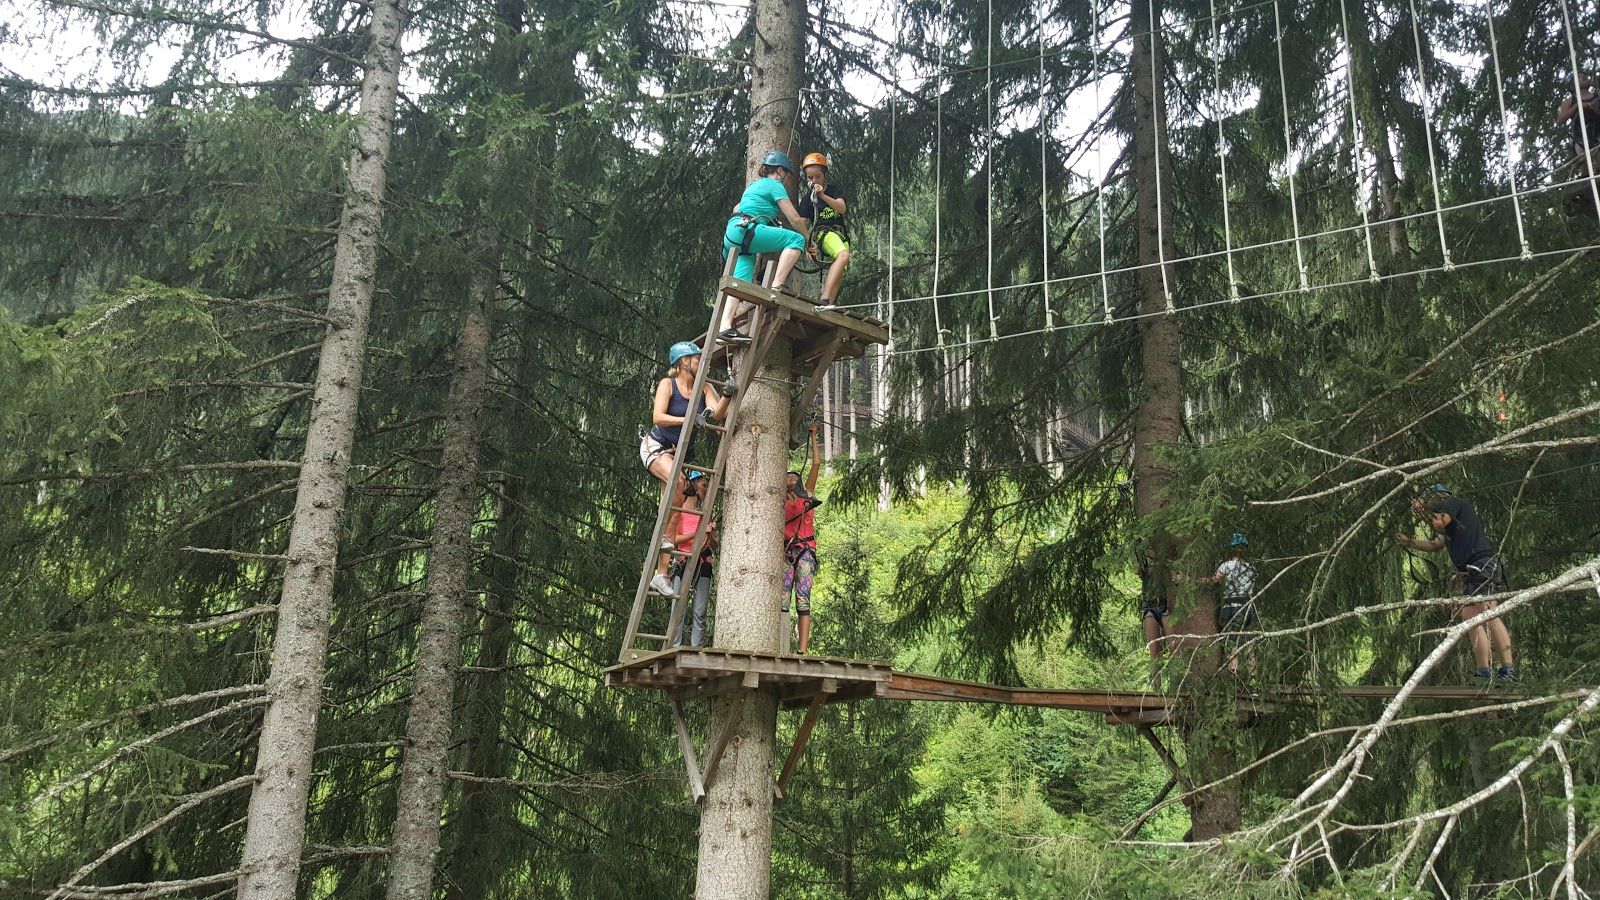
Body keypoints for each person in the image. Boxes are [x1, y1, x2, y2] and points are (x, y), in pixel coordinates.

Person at [1395, 484, 1517, 684]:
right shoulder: (1449, 522)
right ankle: (1483, 672)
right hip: (1472, 569)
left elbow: (1440, 522)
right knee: (1469, 616)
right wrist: (1410, 542)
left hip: (1482, 564)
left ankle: (1508, 670)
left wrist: (1424, 509)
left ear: (1438, 496)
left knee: (1489, 613)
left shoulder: (1453, 503)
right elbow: (1435, 544)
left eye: (1429, 500)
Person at [641, 341, 731, 596]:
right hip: (657, 447)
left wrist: (727, 394)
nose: (701, 363)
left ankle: (661, 575)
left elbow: (717, 414)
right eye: (696, 359)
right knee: (680, 485)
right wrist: (689, 419)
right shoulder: (667, 384)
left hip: (678, 456)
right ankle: (665, 540)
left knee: (676, 507)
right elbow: (658, 417)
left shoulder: (704, 387)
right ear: (683, 362)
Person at [720, 151, 810, 341]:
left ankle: (725, 328)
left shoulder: (753, 186)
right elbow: (795, 219)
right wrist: (808, 237)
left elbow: (737, 208)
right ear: (780, 170)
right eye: (785, 173)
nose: (785, 177)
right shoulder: (775, 185)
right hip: (747, 231)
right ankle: (777, 286)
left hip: (733, 233)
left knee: (739, 283)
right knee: (796, 240)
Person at [1187, 533, 1259, 678]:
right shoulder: (1251, 568)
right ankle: (1253, 676)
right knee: (1249, 641)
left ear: (1230, 549)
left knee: (1231, 641)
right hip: (1247, 608)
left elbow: (1213, 580)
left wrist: (1191, 580)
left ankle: (1233, 675)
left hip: (1231, 607)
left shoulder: (1226, 566)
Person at [782, 421, 822, 654]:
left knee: (803, 599)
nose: (791, 477)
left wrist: (813, 437)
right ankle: (781, 646)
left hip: (805, 551)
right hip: (786, 553)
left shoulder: (807, 495)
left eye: (794, 476)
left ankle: (802, 650)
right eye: (787, 476)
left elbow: (815, 463)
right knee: (783, 599)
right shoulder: (778, 500)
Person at [796, 152, 853, 306]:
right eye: (810, 178)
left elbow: (841, 208)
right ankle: (824, 298)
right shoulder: (807, 200)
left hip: (841, 234)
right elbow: (801, 223)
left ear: (825, 175)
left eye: (817, 177)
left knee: (840, 270)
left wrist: (823, 196)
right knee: (843, 255)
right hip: (823, 233)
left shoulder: (834, 190)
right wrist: (808, 244)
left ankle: (829, 305)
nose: (814, 181)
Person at [669, 471, 717, 647]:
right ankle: (674, 645)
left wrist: (710, 534)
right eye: (704, 486)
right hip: (683, 559)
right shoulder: (679, 510)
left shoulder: (705, 513)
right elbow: (673, 539)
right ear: (695, 487)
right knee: (678, 607)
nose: (706, 490)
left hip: (703, 560)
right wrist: (697, 533)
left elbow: (714, 545)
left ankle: (696, 647)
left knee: (700, 609)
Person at [1557, 74, 1600, 162]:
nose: (1583, 77)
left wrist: (1594, 109)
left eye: (1584, 75)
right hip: (1581, 140)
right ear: (1573, 85)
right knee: (1585, 162)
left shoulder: (1597, 97)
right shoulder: (1569, 101)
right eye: (1579, 77)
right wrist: (1577, 106)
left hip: (1598, 135)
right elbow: (1560, 120)